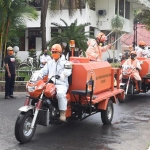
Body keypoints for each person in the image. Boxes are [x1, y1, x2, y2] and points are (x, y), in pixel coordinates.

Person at [39, 44, 72, 121]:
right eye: (53, 52)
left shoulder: (66, 62)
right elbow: (43, 71)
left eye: (55, 52)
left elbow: (68, 71)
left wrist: (62, 75)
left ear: (60, 53)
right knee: (40, 92)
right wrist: (37, 74)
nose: (54, 54)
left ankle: (62, 113)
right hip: (51, 83)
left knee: (60, 94)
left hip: (62, 84)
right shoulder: (50, 62)